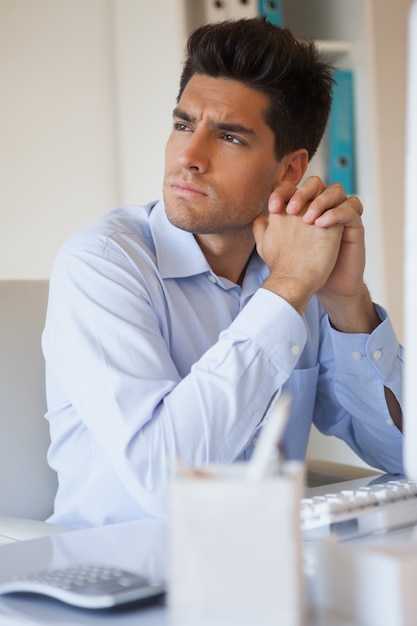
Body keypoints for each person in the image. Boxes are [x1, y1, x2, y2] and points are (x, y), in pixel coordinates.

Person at [42, 17, 404, 529]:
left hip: (264, 573)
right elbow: (167, 482)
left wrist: (348, 303)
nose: (188, 157)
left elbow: (402, 450)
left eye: (230, 137)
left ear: (290, 169)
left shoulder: (293, 263)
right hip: (121, 585)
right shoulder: (102, 264)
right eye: (184, 125)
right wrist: (288, 289)